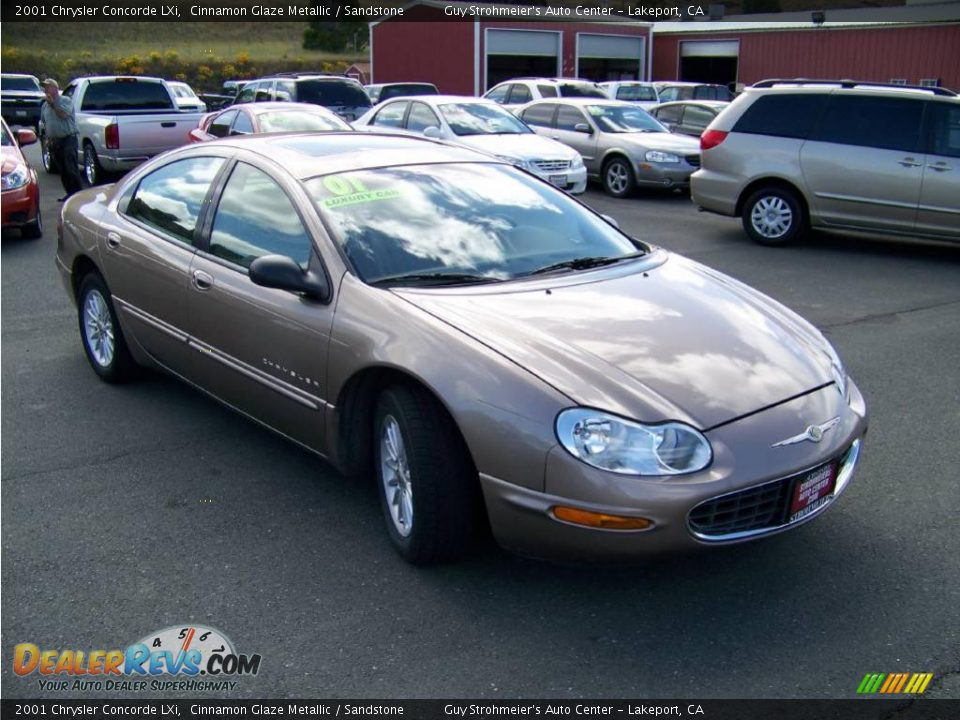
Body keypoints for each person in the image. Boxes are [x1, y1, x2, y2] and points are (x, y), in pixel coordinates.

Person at [40, 78, 83, 201]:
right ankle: (69, 194)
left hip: (68, 139)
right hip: (54, 141)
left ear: (55, 88)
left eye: (48, 87)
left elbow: (63, 115)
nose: (45, 89)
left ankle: (77, 195)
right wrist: (47, 138)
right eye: (44, 87)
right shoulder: (45, 106)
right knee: (63, 170)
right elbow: (45, 122)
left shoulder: (65, 100)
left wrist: (53, 104)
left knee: (71, 168)